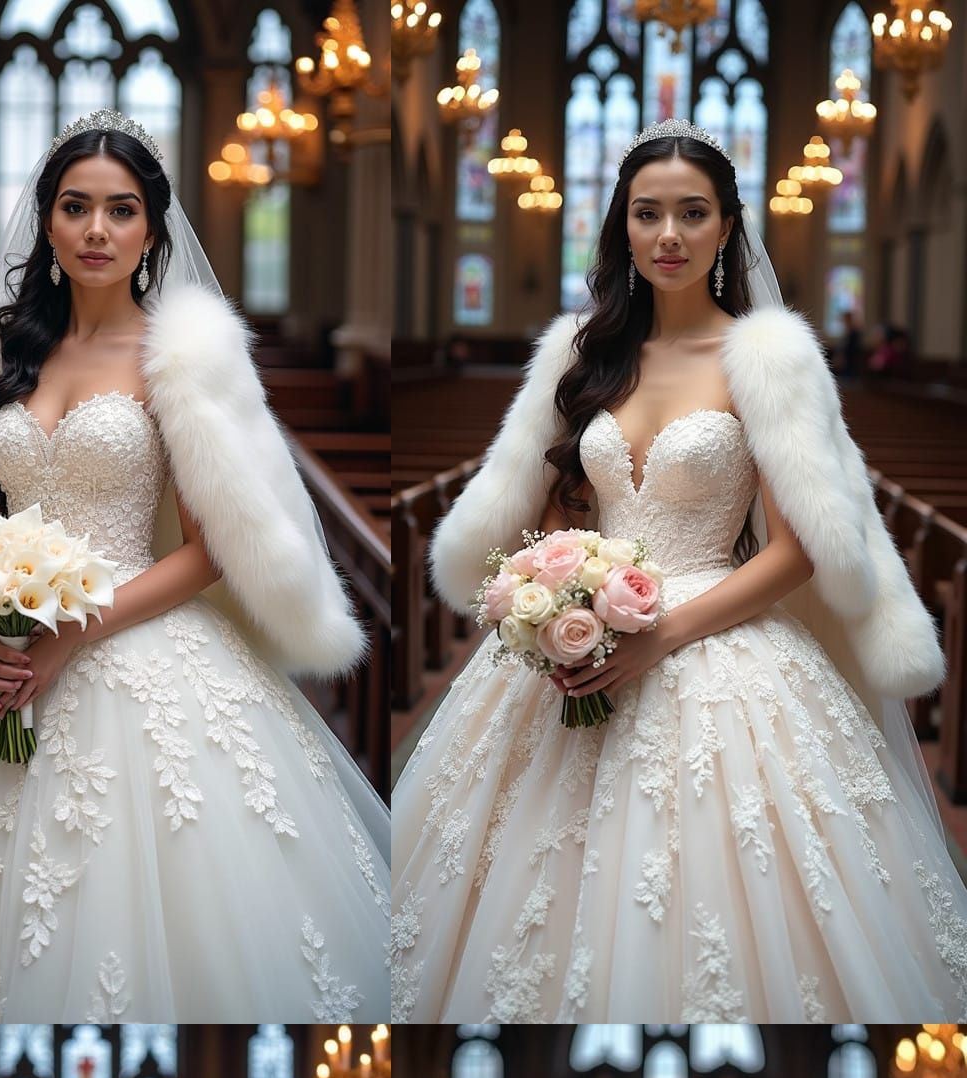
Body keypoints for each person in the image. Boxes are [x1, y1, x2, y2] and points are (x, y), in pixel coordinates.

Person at [0, 110, 389, 1023]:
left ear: (152, 227)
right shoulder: (4, 348)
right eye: (75, 207)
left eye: (120, 211)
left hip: (134, 633)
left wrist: (72, 632)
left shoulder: (182, 357)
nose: (96, 231)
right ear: (44, 220)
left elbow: (210, 550)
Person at [391, 119, 967, 1023]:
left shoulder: (767, 360)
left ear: (729, 226)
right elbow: (563, 498)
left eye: (692, 214)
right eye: (647, 213)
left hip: (715, 629)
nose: (668, 237)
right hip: (579, 634)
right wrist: (558, 587)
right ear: (621, 224)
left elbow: (796, 549)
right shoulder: (587, 355)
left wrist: (658, 635)